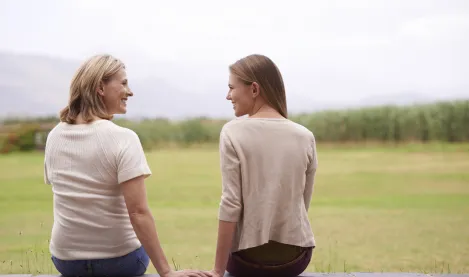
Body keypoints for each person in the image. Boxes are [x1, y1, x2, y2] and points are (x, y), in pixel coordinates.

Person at [43, 54, 211, 277]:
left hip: (66, 261)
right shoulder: (123, 138)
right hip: (120, 263)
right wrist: (167, 272)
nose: (129, 91)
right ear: (100, 87)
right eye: (123, 83)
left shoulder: (55, 135)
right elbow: (138, 212)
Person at [206, 54, 318, 277]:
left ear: (254, 89)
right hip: (296, 259)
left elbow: (231, 203)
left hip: (246, 261)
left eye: (231, 87)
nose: (228, 96)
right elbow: (302, 204)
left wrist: (218, 270)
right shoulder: (305, 136)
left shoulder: (232, 131)